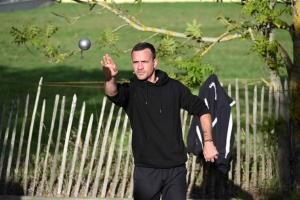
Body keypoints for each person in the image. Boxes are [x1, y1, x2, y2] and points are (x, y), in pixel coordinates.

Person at [101, 42, 219, 200]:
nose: (140, 67)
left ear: (154, 62)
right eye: (136, 62)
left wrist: (209, 141)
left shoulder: (174, 88)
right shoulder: (132, 91)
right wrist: (110, 77)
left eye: (144, 62)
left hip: (176, 170)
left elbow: (202, 109)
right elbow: (112, 92)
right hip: (146, 171)